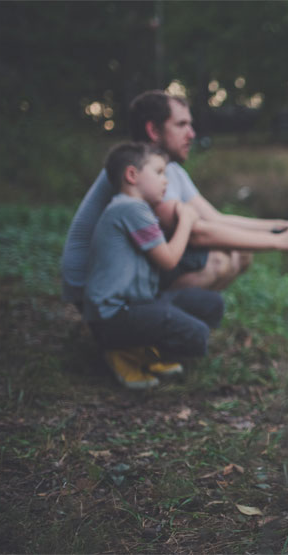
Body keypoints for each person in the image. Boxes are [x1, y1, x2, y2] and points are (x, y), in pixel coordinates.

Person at [61, 89, 288, 305]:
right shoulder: (142, 175)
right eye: (181, 125)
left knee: (240, 253)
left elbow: (215, 218)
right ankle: (148, 333)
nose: (192, 134)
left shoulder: (168, 169)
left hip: (125, 273)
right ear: (153, 130)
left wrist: (282, 226)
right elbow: (198, 232)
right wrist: (282, 242)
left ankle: (171, 327)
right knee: (218, 260)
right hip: (93, 288)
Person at [84, 142, 224, 389]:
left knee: (211, 304)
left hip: (137, 304)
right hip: (113, 316)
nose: (166, 181)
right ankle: (121, 352)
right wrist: (187, 220)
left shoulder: (134, 208)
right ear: (132, 175)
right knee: (196, 335)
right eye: (159, 173)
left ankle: (140, 349)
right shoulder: (130, 208)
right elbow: (169, 259)